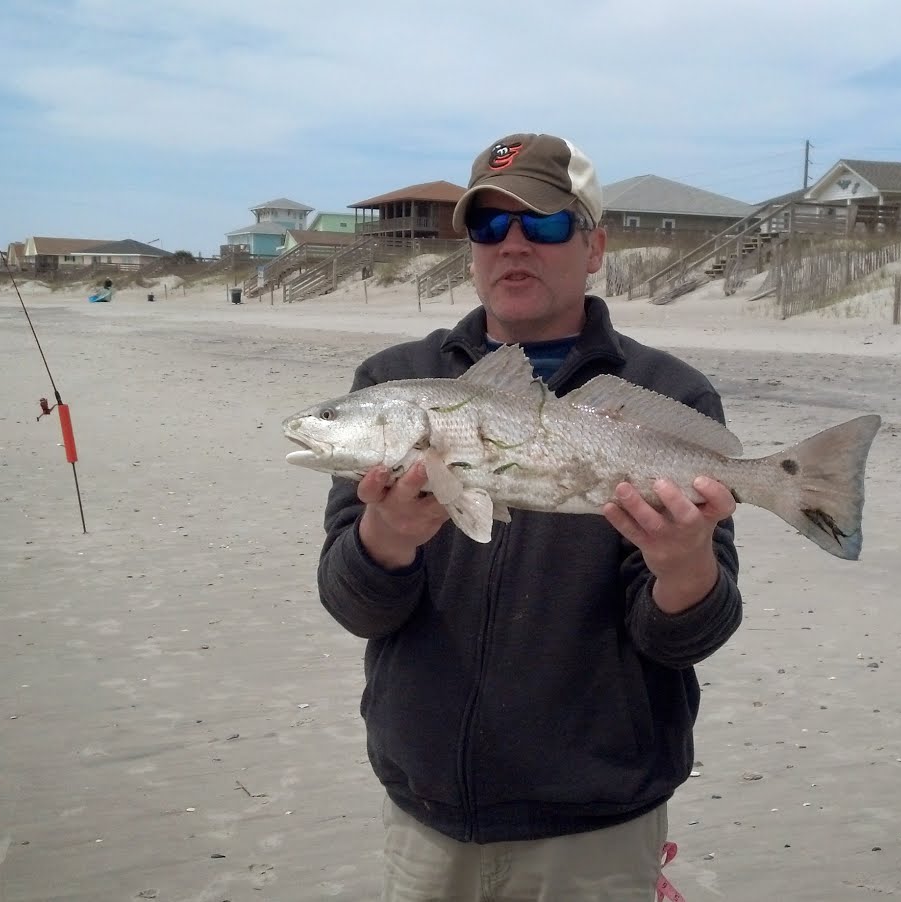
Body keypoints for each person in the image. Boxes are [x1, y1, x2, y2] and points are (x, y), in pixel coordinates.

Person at [316, 133, 743, 901]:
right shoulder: (394, 382)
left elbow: (683, 639)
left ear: (594, 246)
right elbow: (354, 607)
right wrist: (387, 540)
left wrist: (684, 566)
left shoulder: (669, 395)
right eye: (489, 226)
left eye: (543, 223)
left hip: (595, 829)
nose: (512, 245)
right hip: (424, 818)